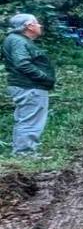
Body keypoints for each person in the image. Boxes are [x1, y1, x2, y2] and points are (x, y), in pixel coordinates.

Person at [3, 14, 55, 156]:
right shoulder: (18, 41)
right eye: (37, 23)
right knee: (30, 121)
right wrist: (44, 78)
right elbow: (22, 63)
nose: (40, 26)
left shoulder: (16, 40)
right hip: (30, 87)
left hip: (27, 86)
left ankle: (22, 152)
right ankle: (25, 154)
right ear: (29, 26)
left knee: (26, 119)